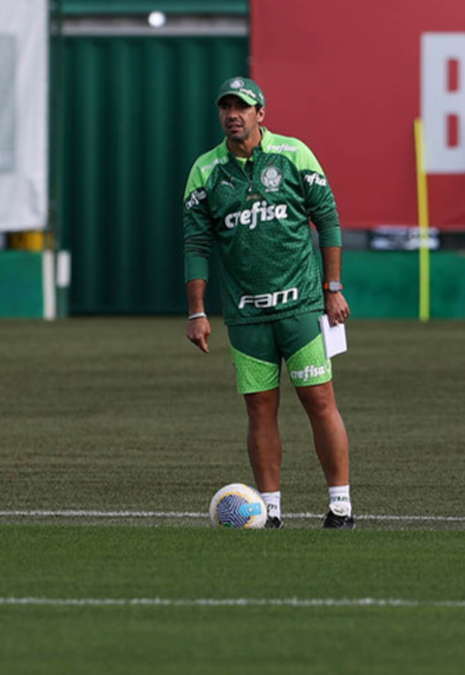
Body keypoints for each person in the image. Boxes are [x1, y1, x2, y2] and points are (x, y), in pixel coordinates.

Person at [182, 76, 354, 529]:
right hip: (247, 315)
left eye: (242, 107)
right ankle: (269, 509)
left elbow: (328, 220)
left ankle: (340, 505)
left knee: (320, 401)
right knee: (259, 409)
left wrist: (333, 289)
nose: (232, 115)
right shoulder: (205, 171)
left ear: (261, 113)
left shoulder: (295, 154)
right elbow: (196, 245)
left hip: (302, 308)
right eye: (226, 107)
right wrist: (197, 312)